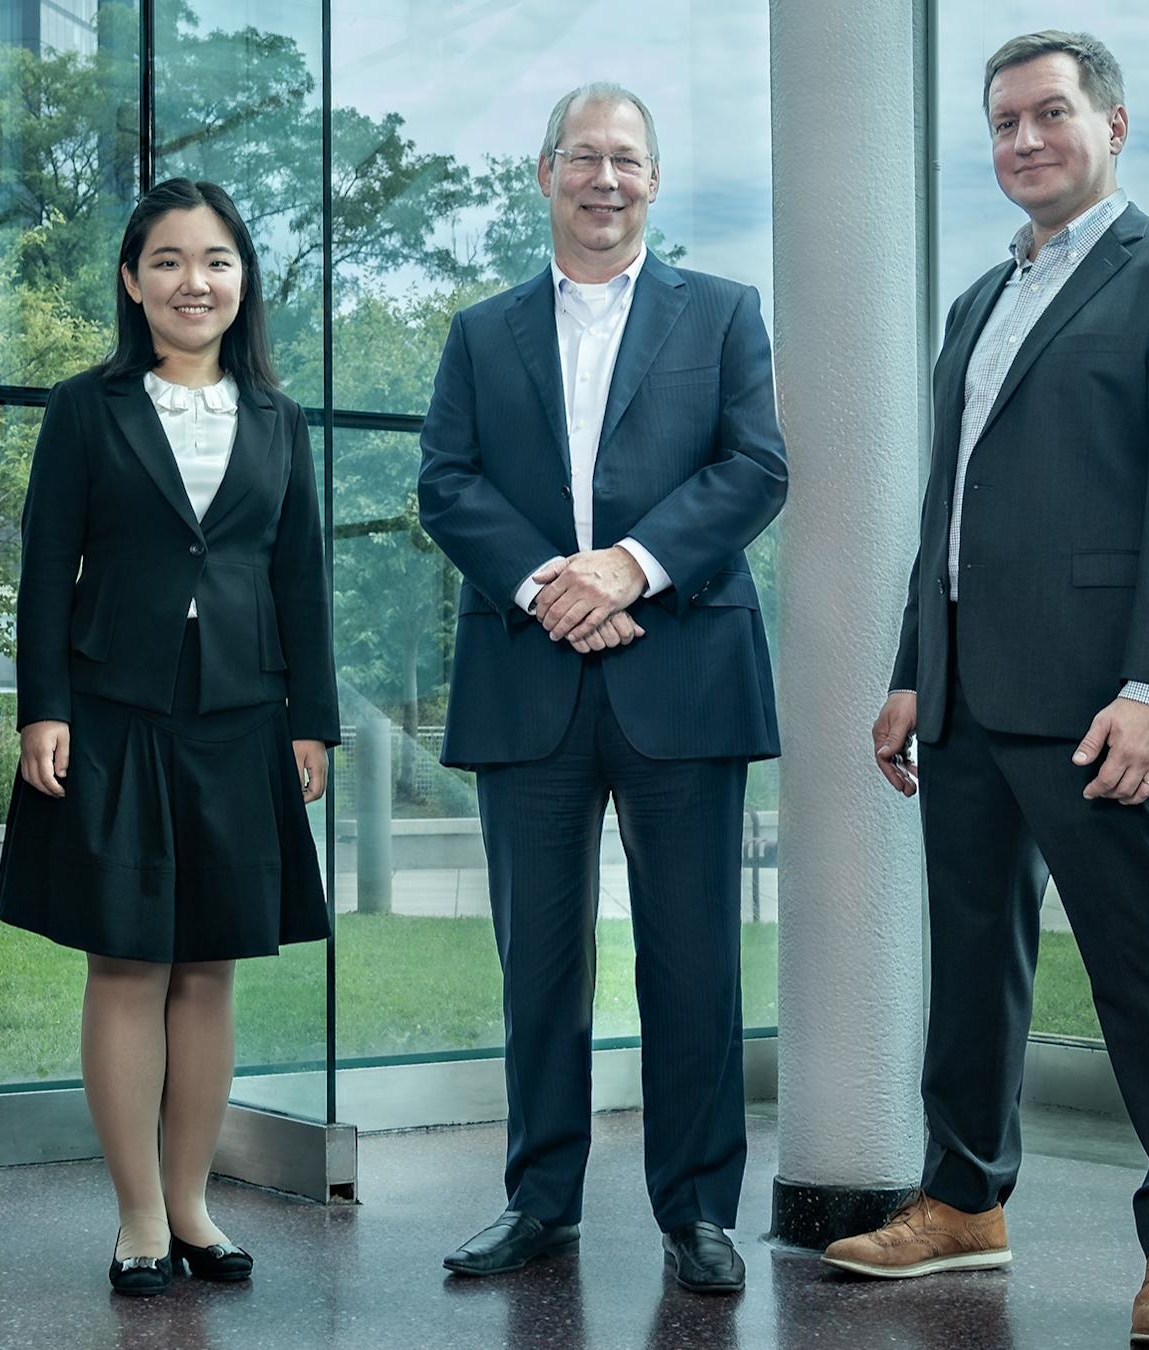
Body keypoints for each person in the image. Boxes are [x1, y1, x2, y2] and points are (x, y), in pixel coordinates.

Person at [826, 29, 1149, 1346]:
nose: (1024, 140)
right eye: (1005, 122)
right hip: (966, 697)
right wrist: (915, 670)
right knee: (972, 966)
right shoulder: (978, 301)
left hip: (1099, 705)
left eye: (1050, 114)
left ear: (1111, 125)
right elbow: (949, 510)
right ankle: (964, 1200)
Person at [417, 81, 786, 1296]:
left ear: (654, 181)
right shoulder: (481, 332)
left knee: (692, 962)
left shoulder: (722, 313)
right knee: (538, 965)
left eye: (627, 158)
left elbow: (755, 467)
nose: (605, 178)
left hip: (683, 671)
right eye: (583, 156)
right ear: (545, 175)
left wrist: (627, 567)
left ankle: (697, 1211)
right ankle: (540, 1199)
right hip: (527, 677)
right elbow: (447, 482)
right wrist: (549, 587)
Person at [0, 178, 338, 1297]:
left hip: (243, 713)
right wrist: (42, 708)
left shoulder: (281, 420)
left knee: (210, 967)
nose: (197, 281)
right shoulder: (85, 409)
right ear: (133, 282)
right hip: (113, 709)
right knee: (129, 959)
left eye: (217, 261)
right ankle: (138, 1214)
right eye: (171, 261)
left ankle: (193, 1207)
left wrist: (313, 721)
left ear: (244, 281)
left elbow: (301, 578)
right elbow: (45, 568)